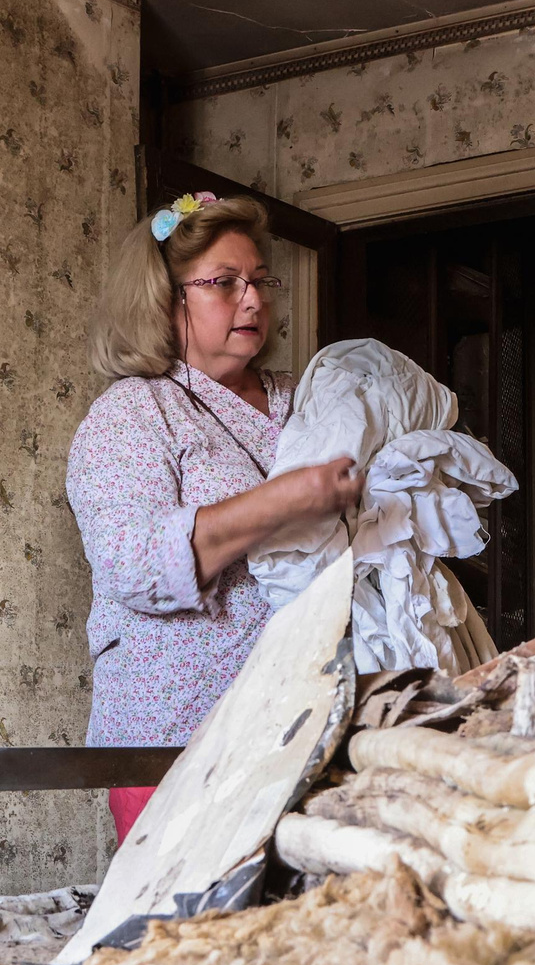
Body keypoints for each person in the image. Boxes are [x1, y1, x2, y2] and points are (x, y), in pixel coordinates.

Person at [67, 192, 361, 840]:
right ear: (164, 300)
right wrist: (284, 501)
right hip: (175, 736)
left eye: (260, 281)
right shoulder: (134, 411)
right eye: (225, 283)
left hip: (301, 721)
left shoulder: (303, 398)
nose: (253, 301)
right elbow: (132, 563)